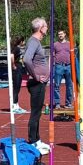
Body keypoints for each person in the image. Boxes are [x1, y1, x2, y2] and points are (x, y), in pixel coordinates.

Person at [23, 18, 50, 154]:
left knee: (38, 112)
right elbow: (26, 59)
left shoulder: (36, 42)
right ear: (41, 28)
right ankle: (33, 141)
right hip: (37, 83)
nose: (47, 28)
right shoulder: (33, 42)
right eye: (46, 26)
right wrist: (35, 76)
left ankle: (37, 139)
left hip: (40, 82)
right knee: (35, 113)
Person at [51, 30, 73, 109]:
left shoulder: (70, 44)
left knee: (69, 85)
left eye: (61, 34)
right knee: (57, 85)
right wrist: (52, 65)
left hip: (68, 66)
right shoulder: (55, 45)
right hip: (58, 66)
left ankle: (68, 103)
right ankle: (57, 103)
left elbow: (72, 55)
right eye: (58, 34)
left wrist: (73, 66)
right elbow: (52, 56)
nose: (60, 35)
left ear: (65, 34)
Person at [9, 36, 27, 114]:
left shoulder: (16, 48)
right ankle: (14, 106)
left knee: (17, 88)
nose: (24, 43)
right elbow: (11, 56)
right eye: (23, 41)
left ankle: (16, 105)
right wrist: (13, 66)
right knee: (16, 87)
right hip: (16, 69)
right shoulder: (16, 48)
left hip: (18, 68)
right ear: (21, 41)